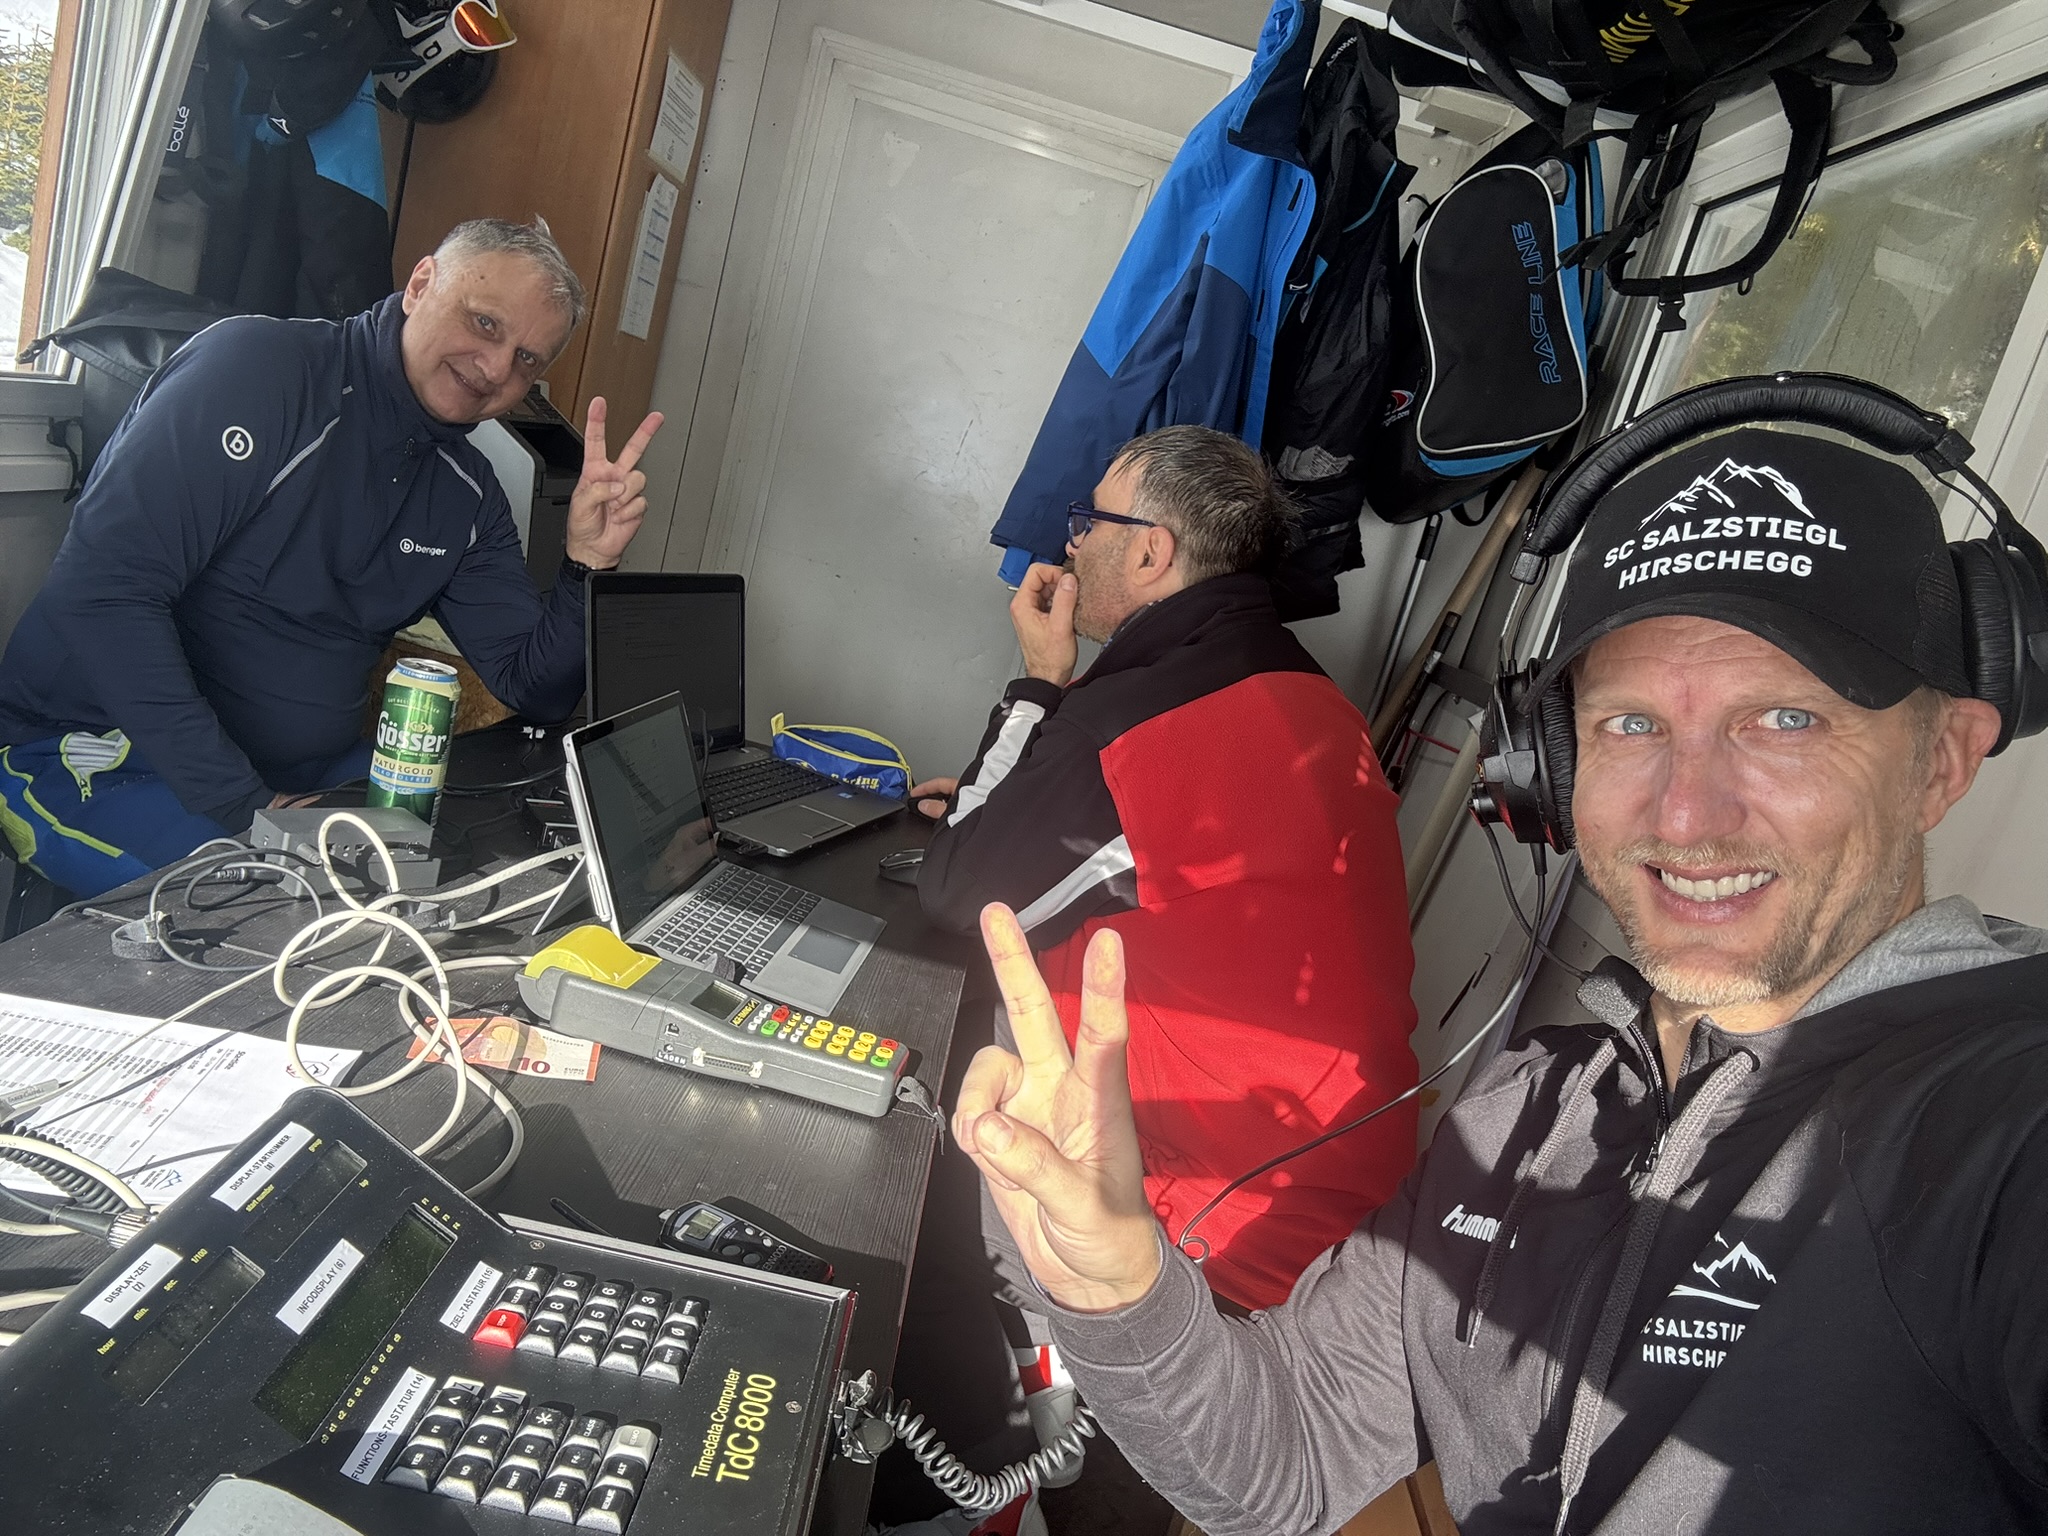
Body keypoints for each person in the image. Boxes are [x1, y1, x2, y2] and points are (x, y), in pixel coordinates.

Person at [953, 424, 2048, 1534]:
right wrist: (1114, 1287)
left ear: (1942, 760)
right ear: (1546, 771)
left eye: (1784, 720)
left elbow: (958, 886)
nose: (1687, 814)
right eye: (1629, 723)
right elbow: (1289, 1455)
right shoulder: (1526, 1113)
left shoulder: (2002, 1123)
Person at [0, 217, 662, 897]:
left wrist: (585, 563)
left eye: (527, 360)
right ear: (421, 285)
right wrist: (247, 809)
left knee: (490, 884)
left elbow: (535, 688)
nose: (496, 368)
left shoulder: (467, 493)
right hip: (99, 754)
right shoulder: (257, 369)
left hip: (301, 775)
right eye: (485, 323)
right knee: (298, 919)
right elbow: (103, 593)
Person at [917, 423, 1418, 1314]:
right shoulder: (1306, 693)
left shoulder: (1136, 720)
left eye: (1088, 522)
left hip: (1214, 1235)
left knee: (906, 1145)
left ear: (1151, 552)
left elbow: (957, 889)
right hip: (1344, 1203)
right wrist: (1021, 806)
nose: (1073, 542)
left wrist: (1038, 684)